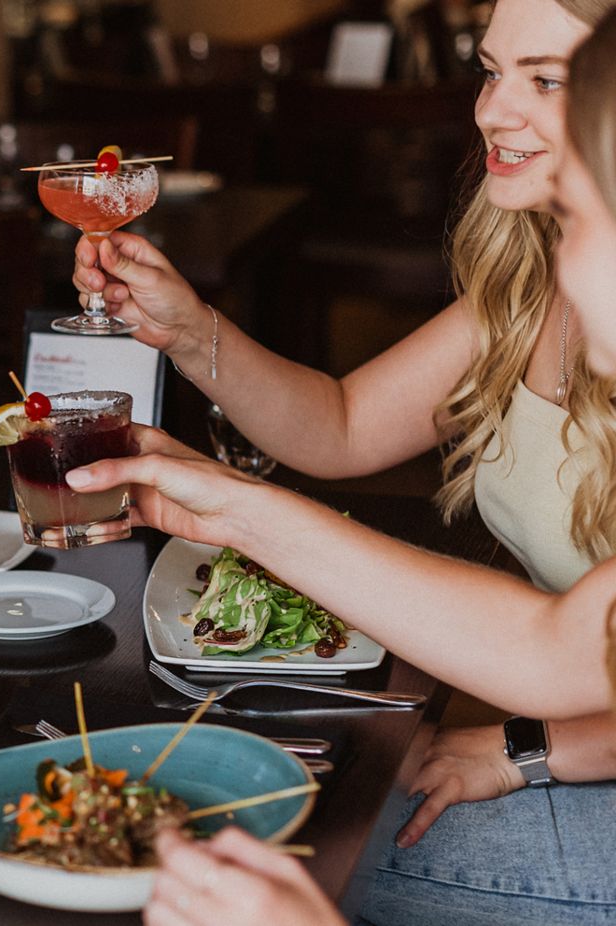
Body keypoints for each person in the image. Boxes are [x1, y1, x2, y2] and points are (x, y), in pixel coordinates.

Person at [76, 0, 616, 896]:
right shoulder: (538, 273)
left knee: (280, 853)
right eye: (489, 69)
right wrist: (188, 332)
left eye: (547, 79)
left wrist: (535, 750)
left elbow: (558, 651)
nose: (490, 110)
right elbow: (343, 425)